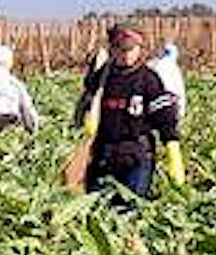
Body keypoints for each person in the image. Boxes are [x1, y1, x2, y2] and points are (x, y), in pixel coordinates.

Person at [76, 24, 186, 200]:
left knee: (130, 212)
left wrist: (173, 153)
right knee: (98, 213)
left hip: (136, 158)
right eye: (121, 48)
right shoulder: (101, 78)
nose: (126, 54)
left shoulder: (149, 79)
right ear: (112, 48)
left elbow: (165, 118)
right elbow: (84, 107)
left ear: (139, 49)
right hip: (103, 157)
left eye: (131, 49)